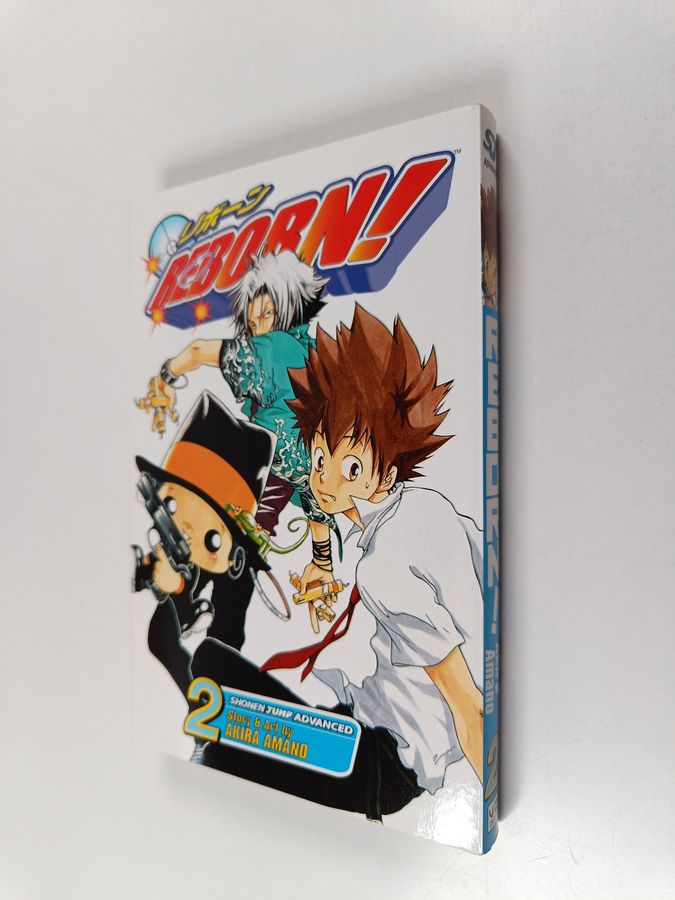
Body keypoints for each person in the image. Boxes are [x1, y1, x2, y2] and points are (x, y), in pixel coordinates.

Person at [192, 306, 484, 819]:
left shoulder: (384, 565)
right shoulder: (428, 506)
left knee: (210, 681)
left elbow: (467, 706)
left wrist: (488, 798)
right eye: (320, 456)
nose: (325, 479)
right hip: (363, 730)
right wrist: (321, 562)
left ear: (386, 473)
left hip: (377, 767)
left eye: (350, 466)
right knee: (222, 712)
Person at [133, 391, 275, 695]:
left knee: (217, 657)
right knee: (161, 637)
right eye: (172, 505)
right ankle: (202, 704)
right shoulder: (171, 537)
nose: (185, 527)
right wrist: (169, 587)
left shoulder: (234, 566)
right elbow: (165, 634)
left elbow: (226, 643)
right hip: (197, 565)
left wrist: (180, 591)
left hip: (227, 563)